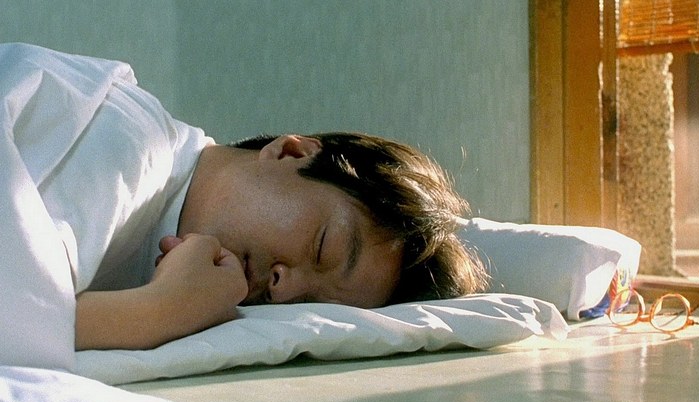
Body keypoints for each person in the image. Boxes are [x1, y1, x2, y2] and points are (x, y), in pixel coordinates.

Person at [0, 43, 486, 366]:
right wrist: (155, 312)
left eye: (311, 303)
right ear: (291, 152)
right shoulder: (124, 144)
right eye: (322, 247)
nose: (283, 290)